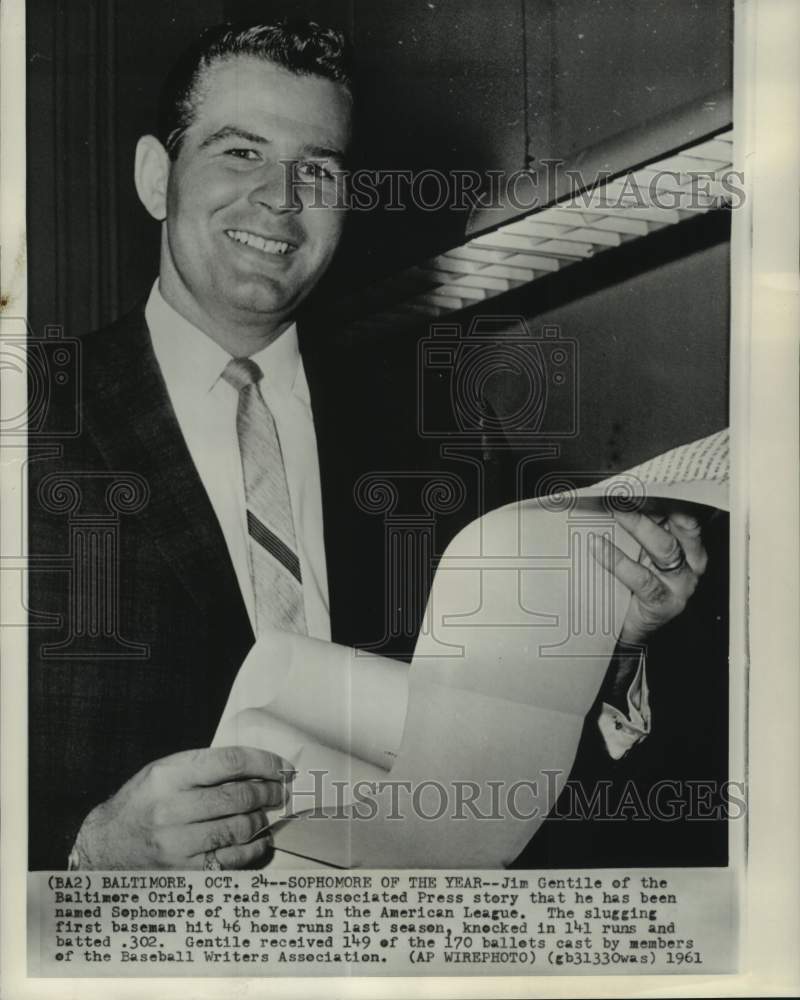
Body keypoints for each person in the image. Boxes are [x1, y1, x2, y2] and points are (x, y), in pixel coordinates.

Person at [28, 19, 709, 871]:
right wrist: (86, 850)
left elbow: (509, 747)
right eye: (240, 152)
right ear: (155, 177)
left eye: (317, 167)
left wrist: (614, 635)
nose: (281, 197)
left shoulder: (438, 442)